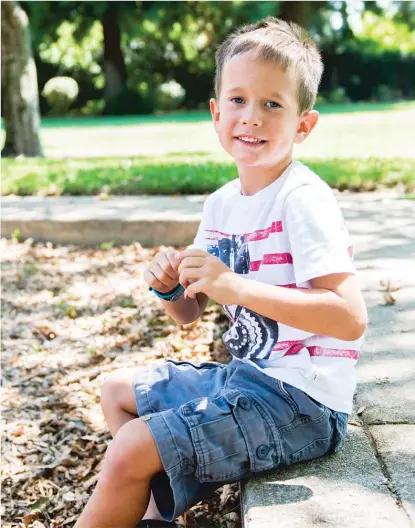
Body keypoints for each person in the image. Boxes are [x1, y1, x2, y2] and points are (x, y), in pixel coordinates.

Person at [75, 17, 367, 528]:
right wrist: (166, 284)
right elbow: (187, 312)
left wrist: (234, 285)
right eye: (237, 100)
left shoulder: (303, 201)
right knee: (116, 391)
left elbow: (349, 318)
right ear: (215, 113)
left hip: (301, 402)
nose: (251, 117)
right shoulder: (221, 206)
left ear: (303, 124)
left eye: (272, 104)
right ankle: (151, 517)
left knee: (128, 450)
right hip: (248, 380)